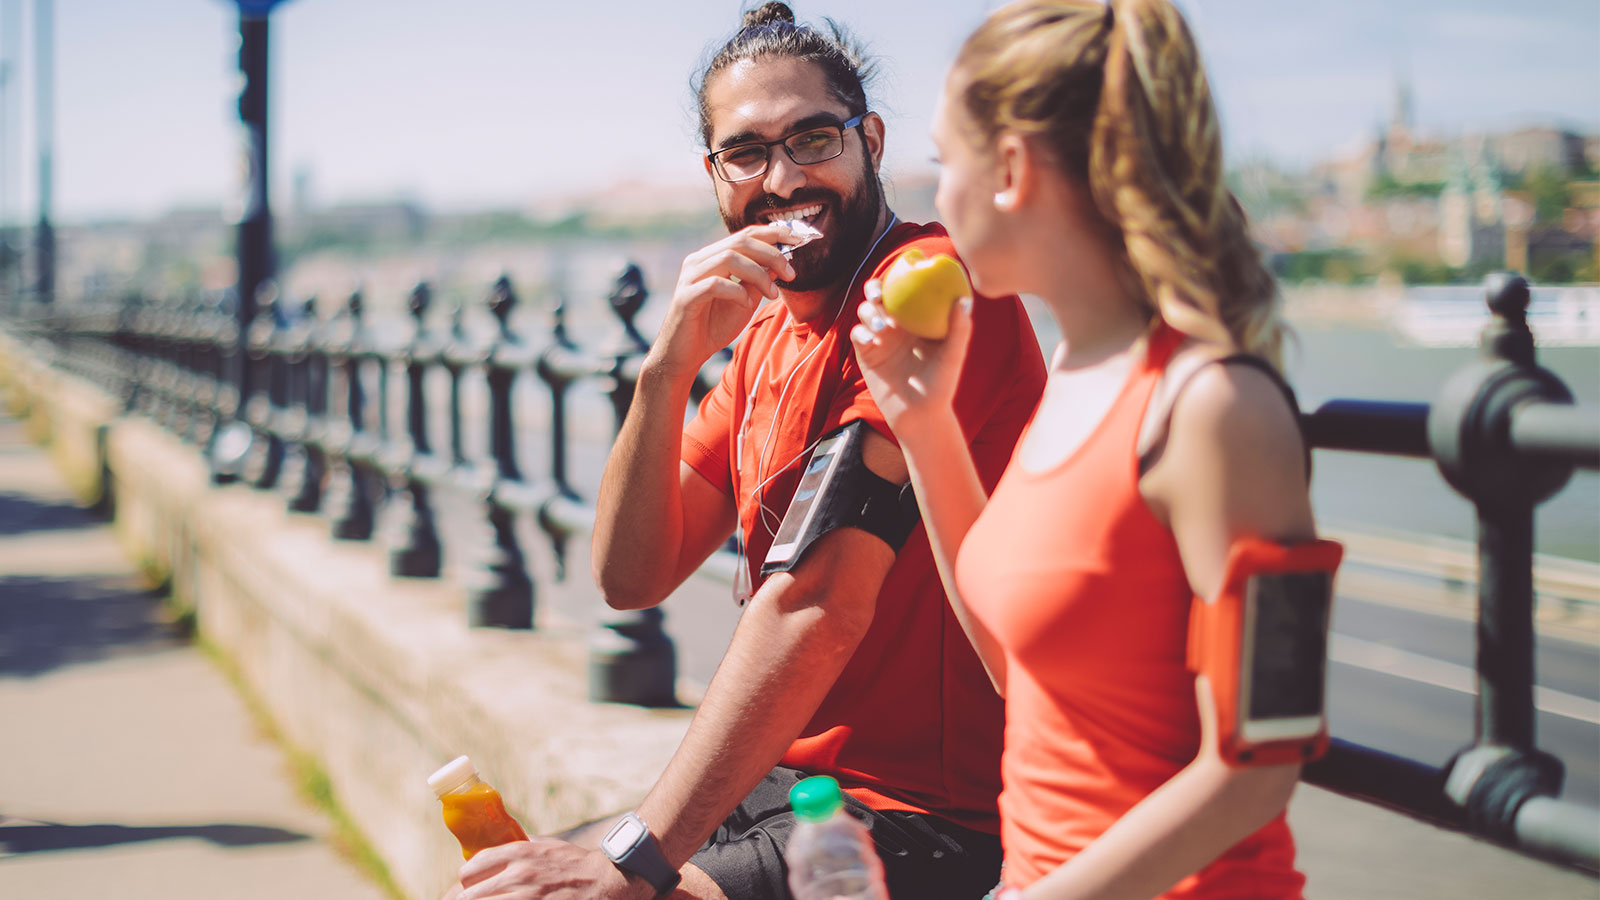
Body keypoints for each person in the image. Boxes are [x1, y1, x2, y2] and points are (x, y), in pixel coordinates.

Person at [447, 4, 1046, 899]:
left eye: (813, 140)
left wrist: (632, 863)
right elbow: (633, 576)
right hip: (789, 790)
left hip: (933, 815)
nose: (782, 179)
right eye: (746, 153)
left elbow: (819, 600)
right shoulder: (765, 332)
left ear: (870, 140)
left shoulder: (930, 296)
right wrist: (666, 366)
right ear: (714, 174)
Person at [851, 1, 1329, 898]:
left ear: (1010, 170)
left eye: (944, 161)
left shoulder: (1218, 407)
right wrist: (924, 423)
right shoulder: (1074, 370)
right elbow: (1015, 667)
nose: (936, 197)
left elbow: (1262, 759)